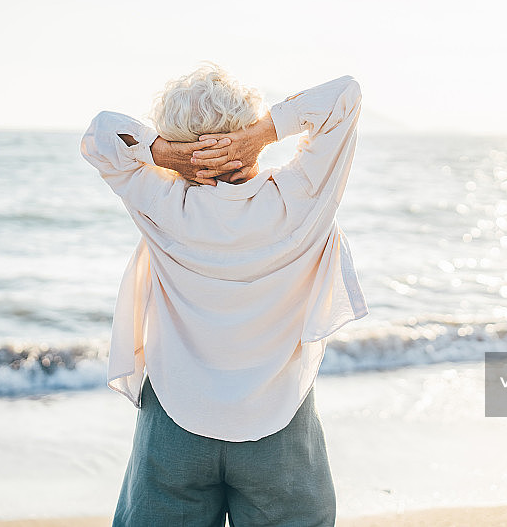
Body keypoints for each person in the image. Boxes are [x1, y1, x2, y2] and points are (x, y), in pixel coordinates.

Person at [80, 63, 368, 526]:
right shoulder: (300, 199)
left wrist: (162, 154)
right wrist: (264, 134)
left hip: (176, 422)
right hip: (277, 426)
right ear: (246, 130)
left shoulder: (163, 205)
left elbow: (101, 137)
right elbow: (344, 97)